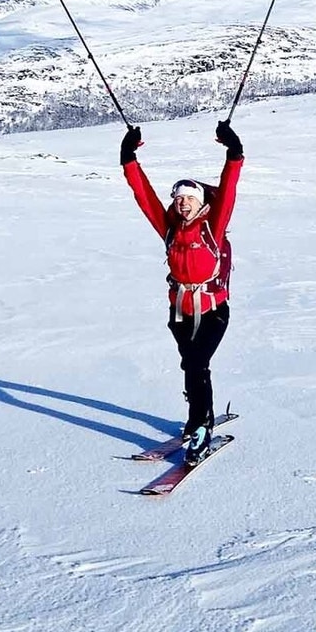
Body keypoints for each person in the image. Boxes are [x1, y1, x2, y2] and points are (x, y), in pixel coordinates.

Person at [121, 119, 243, 463]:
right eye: (178, 198)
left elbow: (229, 189)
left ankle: (202, 427)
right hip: (180, 310)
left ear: (201, 202)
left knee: (196, 361)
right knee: (191, 366)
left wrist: (234, 153)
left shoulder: (213, 227)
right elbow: (144, 197)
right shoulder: (170, 229)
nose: (182, 203)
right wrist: (128, 158)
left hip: (213, 310)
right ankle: (194, 419)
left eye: (189, 198)